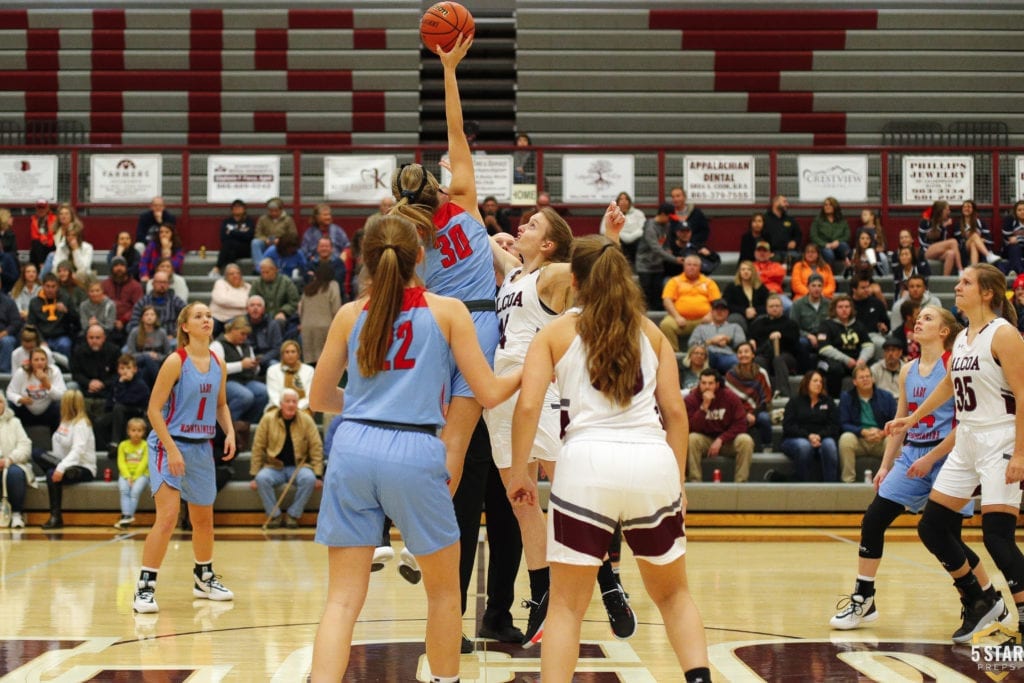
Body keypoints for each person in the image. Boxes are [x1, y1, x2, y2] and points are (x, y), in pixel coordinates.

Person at [307, 210, 520, 681]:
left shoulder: (349, 314)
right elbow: (488, 392)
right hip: (415, 447)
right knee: (444, 594)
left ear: (364, 260)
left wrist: (366, 403)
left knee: (341, 600)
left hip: (353, 445)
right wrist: (535, 363)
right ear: (421, 256)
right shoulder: (448, 311)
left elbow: (319, 397)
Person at [505, 234, 710, 683]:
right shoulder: (652, 332)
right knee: (675, 597)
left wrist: (521, 471)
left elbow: (527, 406)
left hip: (586, 466)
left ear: (574, 281)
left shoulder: (555, 332)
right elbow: (677, 416)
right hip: (652, 462)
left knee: (565, 606)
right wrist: (678, 484)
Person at [486, 203, 634, 646]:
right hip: (501, 392)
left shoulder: (549, 277)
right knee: (522, 503)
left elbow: (597, 270)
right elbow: (475, 225)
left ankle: (607, 582)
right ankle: (542, 597)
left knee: (566, 492)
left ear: (548, 244)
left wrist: (609, 235)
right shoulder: (515, 273)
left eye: (532, 225)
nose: (520, 227)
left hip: (540, 388)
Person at [830, 305, 999, 630]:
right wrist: (885, 465)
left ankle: (988, 599)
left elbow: (964, 423)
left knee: (950, 539)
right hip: (911, 457)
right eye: (918, 317)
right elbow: (901, 423)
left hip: (949, 457)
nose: (918, 321)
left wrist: (931, 458)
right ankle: (864, 598)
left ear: (944, 331)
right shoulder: (908, 369)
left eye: (927, 318)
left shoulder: (954, 364)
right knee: (874, 519)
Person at [388, 34, 503, 497]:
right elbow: (456, 131)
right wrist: (449, 70)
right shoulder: (466, 202)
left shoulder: (409, 229)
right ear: (437, 183)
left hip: (434, 322)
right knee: (455, 442)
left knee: (423, 434)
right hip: (479, 321)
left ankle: (392, 524)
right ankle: (424, 538)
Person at [888, 265, 1024, 643]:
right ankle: (980, 600)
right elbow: (949, 385)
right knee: (932, 526)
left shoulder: (1005, 334)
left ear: (987, 293)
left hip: (1001, 437)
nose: (958, 286)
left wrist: (1021, 455)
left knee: (998, 537)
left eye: (966, 282)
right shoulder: (963, 337)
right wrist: (912, 419)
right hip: (967, 439)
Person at [132, 301, 236, 614]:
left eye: (208, 315)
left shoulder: (218, 362)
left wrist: (229, 432)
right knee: (167, 517)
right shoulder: (175, 362)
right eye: (198, 316)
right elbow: (153, 410)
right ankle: (144, 588)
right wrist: (173, 449)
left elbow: (220, 405)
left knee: (204, 520)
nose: (206, 319)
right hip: (169, 444)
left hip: (202, 446)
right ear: (185, 326)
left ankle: (203, 577)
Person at [250, 388, 323, 528]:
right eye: (287, 401)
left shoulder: (306, 419)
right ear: (280, 403)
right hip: (274, 466)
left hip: (299, 466)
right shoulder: (268, 419)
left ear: (297, 404)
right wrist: (254, 474)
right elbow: (258, 447)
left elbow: (316, 447)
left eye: (294, 401)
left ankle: (293, 515)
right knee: (261, 479)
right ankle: (274, 516)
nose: (291, 404)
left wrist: (318, 474)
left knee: (309, 479)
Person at [35, 389, 96, 529]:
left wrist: (61, 468)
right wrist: (61, 465)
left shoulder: (82, 424)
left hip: (83, 468)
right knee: (37, 453)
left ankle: (56, 518)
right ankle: (55, 470)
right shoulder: (65, 421)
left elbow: (78, 451)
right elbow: (59, 447)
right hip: (66, 464)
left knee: (51, 474)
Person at [685, 368, 755, 482]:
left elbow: (741, 424)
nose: (707, 387)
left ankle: (741, 483)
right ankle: (695, 480)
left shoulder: (730, 397)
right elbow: (690, 427)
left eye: (710, 383)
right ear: (699, 383)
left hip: (727, 441)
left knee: (746, 440)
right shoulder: (691, 400)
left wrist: (721, 439)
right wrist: (704, 407)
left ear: (717, 384)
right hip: (704, 440)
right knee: (691, 439)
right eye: (703, 383)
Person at [837, 363, 897, 483]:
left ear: (873, 379)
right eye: (862, 377)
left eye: (868, 376)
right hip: (859, 439)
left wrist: (882, 433)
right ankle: (848, 482)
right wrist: (862, 431)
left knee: (894, 439)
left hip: (881, 439)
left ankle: (891, 483)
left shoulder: (887, 397)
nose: (866, 379)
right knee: (845, 439)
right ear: (854, 381)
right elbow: (843, 423)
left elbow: (895, 422)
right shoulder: (847, 398)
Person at [780, 370, 840, 482]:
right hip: (796, 438)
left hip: (822, 438)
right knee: (804, 447)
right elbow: (788, 426)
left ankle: (831, 485)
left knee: (830, 445)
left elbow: (834, 426)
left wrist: (819, 436)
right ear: (807, 383)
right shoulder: (794, 401)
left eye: (821, 382)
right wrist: (808, 436)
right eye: (815, 381)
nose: (818, 384)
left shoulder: (828, 402)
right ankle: (803, 485)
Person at [210, 316, 268, 425]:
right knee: (245, 396)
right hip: (226, 382)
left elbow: (255, 370)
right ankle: (227, 425)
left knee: (264, 393)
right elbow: (216, 369)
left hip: (246, 380)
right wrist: (241, 365)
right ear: (233, 330)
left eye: (246, 335)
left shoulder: (246, 346)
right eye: (242, 334)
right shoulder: (217, 345)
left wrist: (255, 366)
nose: (245, 337)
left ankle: (247, 425)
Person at [658, 254, 721, 352]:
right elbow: (667, 300)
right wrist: (677, 317)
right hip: (680, 320)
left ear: (700, 267)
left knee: (718, 323)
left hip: (704, 320)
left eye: (695, 265)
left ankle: (708, 354)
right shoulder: (675, 281)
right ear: (684, 266)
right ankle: (673, 354)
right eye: (689, 264)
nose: (692, 267)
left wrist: (710, 315)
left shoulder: (709, 282)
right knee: (666, 324)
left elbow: (717, 302)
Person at [818, 294, 875, 396]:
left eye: (847, 307)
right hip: (833, 361)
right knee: (835, 369)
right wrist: (846, 359)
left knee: (871, 367)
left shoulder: (858, 325)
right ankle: (834, 399)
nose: (844, 310)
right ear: (834, 309)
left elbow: (868, 345)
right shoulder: (826, 325)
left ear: (851, 309)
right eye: (840, 307)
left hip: (856, 360)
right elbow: (824, 348)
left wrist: (862, 360)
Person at [748, 294, 801, 398]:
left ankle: (783, 393)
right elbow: (752, 337)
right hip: (765, 354)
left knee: (778, 359)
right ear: (767, 308)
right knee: (758, 360)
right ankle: (763, 392)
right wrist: (751, 340)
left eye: (777, 306)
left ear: (782, 307)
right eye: (771, 306)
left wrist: (781, 336)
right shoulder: (758, 324)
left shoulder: (790, 324)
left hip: (786, 356)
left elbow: (795, 342)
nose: (775, 308)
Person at [724, 342, 774, 451]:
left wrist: (753, 414)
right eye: (740, 352)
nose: (743, 355)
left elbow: (766, 399)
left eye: (746, 351)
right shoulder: (730, 375)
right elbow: (729, 401)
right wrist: (745, 414)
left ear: (753, 355)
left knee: (764, 418)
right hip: (738, 412)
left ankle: (767, 446)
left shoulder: (761, 373)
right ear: (737, 356)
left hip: (758, 411)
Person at [635, 203, 684, 310]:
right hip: (645, 266)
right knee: (646, 295)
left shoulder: (667, 225)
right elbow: (656, 248)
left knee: (658, 294)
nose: (670, 220)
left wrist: (668, 250)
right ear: (662, 214)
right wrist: (675, 260)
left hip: (658, 265)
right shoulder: (650, 227)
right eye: (669, 217)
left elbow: (665, 243)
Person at [97, 354, 149, 448]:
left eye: (128, 368)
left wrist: (121, 385)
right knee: (100, 422)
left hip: (136, 413)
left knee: (118, 407)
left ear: (135, 369)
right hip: (118, 412)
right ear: (118, 370)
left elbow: (126, 401)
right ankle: (104, 447)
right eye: (122, 368)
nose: (125, 371)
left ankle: (115, 442)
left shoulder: (140, 384)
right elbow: (110, 400)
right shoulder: (116, 382)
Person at [70, 324, 120, 422]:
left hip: (108, 387)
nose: (94, 341)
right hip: (85, 386)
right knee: (71, 386)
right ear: (86, 338)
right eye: (91, 338)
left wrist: (103, 384)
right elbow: (75, 373)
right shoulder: (79, 351)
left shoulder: (114, 351)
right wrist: (89, 383)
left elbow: (118, 374)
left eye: (97, 338)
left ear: (104, 338)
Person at [0, 394, 34, 529]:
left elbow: (25, 446)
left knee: (14, 473)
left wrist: (9, 460)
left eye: (0, 402)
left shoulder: (15, 422)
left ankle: (16, 514)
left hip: (12, 463)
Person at [27, 272, 78, 360]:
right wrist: (41, 340)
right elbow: (32, 325)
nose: (50, 289)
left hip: (61, 336)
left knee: (65, 345)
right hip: (42, 337)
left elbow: (76, 322)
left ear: (58, 287)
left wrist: (67, 311)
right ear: (42, 286)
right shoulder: (34, 302)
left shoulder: (66, 299)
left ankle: (66, 370)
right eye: (48, 286)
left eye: (53, 286)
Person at [299, 261, 342, 364]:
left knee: (309, 362)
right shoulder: (333, 286)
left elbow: (301, 309)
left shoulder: (308, 288)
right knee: (324, 363)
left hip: (307, 327)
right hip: (325, 327)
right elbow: (336, 308)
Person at [687, 298, 744, 373]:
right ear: (711, 312)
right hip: (706, 355)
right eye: (716, 309)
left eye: (722, 309)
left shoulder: (735, 327)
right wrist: (711, 342)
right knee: (698, 356)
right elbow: (692, 344)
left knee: (737, 362)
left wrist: (728, 340)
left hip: (727, 355)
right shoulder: (701, 328)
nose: (719, 312)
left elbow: (742, 345)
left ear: (727, 312)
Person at [790, 273, 831, 372]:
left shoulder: (829, 304)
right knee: (801, 343)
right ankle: (805, 372)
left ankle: (824, 370)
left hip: (824, 334)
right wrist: (808, 335)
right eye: (813, 285)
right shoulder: (798, 304)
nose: (816, 289)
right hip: (805, 336)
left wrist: (821, 336)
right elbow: (793, 327)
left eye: (819, 286)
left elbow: (831, 324)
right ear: (808, 287)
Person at [114, 417, 150, 530]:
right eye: (133, 430)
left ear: (144, 432)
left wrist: (134, 478)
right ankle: (126, 515)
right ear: (128, 431)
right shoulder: (123, 445)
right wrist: (128, 476)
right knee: (124, 491)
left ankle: (128, 516)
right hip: (125, 475)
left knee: (134, 491)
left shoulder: (145, 445)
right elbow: (121, 462)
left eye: (139, 431)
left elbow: (144, 462)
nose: (136, 433)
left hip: (142, 475)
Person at [129, 271, 184, 339]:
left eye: (164, 282)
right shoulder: (143, 302)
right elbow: (134, 322)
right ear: (153, 284)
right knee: (125, 350)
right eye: (159, 282)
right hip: (146, 338)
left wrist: (174, 335)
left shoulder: (177, 301)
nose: (162, 285)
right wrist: (143, 335)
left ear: (168, 284)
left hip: (171, 338)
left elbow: (186, 321)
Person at [125, 306, 172, 385]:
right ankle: (160, 384)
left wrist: (157, 356)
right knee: (147, 359)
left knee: (146, 371)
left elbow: (168, 354)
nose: (149, 317)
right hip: (139, 362)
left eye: (152, 314)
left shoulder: (162, 332)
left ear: (156, 317)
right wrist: (147, 355)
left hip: (157, 363)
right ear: (142, 318)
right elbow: (130, 354)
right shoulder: (135, 332)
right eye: (146, 315)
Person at [265, 340, 314, 411]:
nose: (290, 355)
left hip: (303, 407)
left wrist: (295, 407)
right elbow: (273, 395)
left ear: (298, 354)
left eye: (293, 352)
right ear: (282, 355)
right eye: (287, 352)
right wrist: (285, 408)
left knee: (304, 418)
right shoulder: (272, 370)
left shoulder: (309, 370)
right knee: (270, 417)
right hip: (277, 406)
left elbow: (309, 396)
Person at [102, 256, 144, 339]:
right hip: (107, 321)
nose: (119, 268)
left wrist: (123, 320)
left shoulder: (135, 286)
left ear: (126, 267)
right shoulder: (104, 285)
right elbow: (100, 304)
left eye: (122, 265)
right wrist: (110, 320)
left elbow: (138, 306)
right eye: (116, 265)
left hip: (128, 322)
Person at [918, 200, 963, 276]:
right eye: (947, 209)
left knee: (951, 254)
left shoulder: (942, 225)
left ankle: (944, 279)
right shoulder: (926, 222)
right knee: (953, 241)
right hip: (926, 251)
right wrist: (942, 227)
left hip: (937, 252)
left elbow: (943, 242)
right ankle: (960, 270)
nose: (949, 212)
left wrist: (942, 227)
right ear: (941, 211)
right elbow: (924, 241)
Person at [722, 260, 769, 333]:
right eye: (743, 269)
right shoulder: (731, 287)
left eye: (749, 269)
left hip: (757, 315)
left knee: (763, 319)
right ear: (739, 272)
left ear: (753, 272)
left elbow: (767, 304)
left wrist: (755, 310)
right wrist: (744, 311)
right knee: (735, 319)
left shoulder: (760, 287)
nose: (746, 272)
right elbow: (726, 304)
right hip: (739, 315)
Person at [251, 197, 298, 269]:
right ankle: (260, 266)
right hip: (266, 242)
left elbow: (293, 235)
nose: (273, 213)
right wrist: (265, 240)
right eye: (271, 211)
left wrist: (281, 241)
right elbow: (258, 234)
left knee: (273, 248)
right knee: (255, 242)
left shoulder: (288, 220)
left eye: (276, 211)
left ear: (281, 210)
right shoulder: (263, 219)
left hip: (281, 244)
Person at [600, 191, 645, 266]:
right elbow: (603, 230)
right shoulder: (611, 213)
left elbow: (644, 229)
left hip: (636, 241)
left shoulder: (638, 213)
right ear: (617, 202)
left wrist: (630, 237)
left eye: (626, 199)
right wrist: (620, 234)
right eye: (621, 199)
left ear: (629, 202)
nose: (623, 201)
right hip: (619, 240)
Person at [212, 199, 255, 277]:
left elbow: (249, 236)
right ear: (231, 210)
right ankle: (232, 275)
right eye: (235, 207)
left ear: (244, 209)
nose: (237, 209)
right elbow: (223, 237)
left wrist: (232, 232)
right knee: (230, 251)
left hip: (245, 249)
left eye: (239, 207)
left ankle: (217, 268)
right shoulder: (227, 222)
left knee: (229, 244)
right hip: (232, 249)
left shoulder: (249, 221)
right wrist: (241, 233)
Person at [250, 259, 299, 324]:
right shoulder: (256, 283)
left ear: (275, 270)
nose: (264, 275)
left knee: (278, 323)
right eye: (262, 272)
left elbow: (294, 302)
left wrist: (283, 312)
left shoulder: (286, 282)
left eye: (267, 272)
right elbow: (252, 300)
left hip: (282, 317)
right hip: (261, 316)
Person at [244, 296, 283, 375]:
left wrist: (262, 359)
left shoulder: (273, 324)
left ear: (263, 309)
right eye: (252, 305)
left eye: (259, 305)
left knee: (275, 366)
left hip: (267, 357)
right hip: (247, 359)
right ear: (247, 309)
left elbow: (277, 348)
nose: (255, 308)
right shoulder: (241, 324)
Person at [954, 199, 999, 267]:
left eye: (969, 207)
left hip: (979, 249)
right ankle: (988, 255)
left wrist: (982, 240)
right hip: (963, 250)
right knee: (974, 235)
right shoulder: (958, 223)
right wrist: (972, 237)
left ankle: (973, 268)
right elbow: (958, 240)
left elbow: (989, 238)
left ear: (973, 209)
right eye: (964, 207)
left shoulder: (980, 222)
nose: (966, 208)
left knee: (973, 244)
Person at [809, 196, 851, 267]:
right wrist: (825, 244)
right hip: (823, 246)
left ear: (835, 207)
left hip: (838, 245)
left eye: (830, 205)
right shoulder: (818, 220)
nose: (827, 207)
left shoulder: (842, 220)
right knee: (829, 254)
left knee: (845, 246)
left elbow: (847, 235)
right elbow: (813, 236)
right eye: (825, 205)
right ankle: (829, 273)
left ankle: (848, 269)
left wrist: (838, 241)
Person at [209, 264, 251, 330]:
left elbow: (249, 303)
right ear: (226, 276)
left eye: (238, 273)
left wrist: (228, 302)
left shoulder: (247, 287)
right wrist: (243, 304)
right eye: (231, 274)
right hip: (217, 317)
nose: (235, 275)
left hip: (237, 319)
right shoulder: (220, 283)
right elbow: (221, 300)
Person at [752, 240, 790, 312]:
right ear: (755, 253)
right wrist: (770, 277)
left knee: (790, 306)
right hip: (756, 296)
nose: (762, 253)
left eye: (765, 251)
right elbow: (753, 279)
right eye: (759, 251)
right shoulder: (750, 266)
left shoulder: (776, 265)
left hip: (776, 295)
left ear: (770, 254)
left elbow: (780, 273)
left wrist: (761, 274)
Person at [763, 194, 801, 265]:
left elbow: (798, 234)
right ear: (775, 203)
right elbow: (761, 237)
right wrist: (766, 251)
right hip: (772, 252)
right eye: (784, 202)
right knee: (776, 258)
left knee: (798, 257)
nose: (787, 204)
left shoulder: (790, 219)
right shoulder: (765, 219)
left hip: (789, 252)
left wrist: (795, 241)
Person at [29, 198, 57, 268]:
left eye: (43, 207)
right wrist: (43, 239)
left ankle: (41, 266)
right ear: (36, 209)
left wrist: (47, 240)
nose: (41, 210)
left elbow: (54, 233)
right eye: (39, 207)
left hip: (51, 244)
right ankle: (41, 266)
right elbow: (34, 236)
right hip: (40, 245)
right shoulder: (34, 220)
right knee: (35, 244)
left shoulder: (54, 218)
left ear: (47, 208)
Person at [1000, 200, 1024, 275]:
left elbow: (1015, 239)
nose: (1022, 212)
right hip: (1009, 250)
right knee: (1015, 247)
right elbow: (1010, 240)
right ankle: (1020, 273)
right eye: (1019, 210)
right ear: (1015, 212)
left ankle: (1014, 271)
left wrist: (1018, 238)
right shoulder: (1009, 220)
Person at [0, 288, 21, 372]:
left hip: (5, 335)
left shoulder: (9, 302)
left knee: (7, 341)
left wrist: (4, 333)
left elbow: (16, 322)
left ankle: (3, 375)